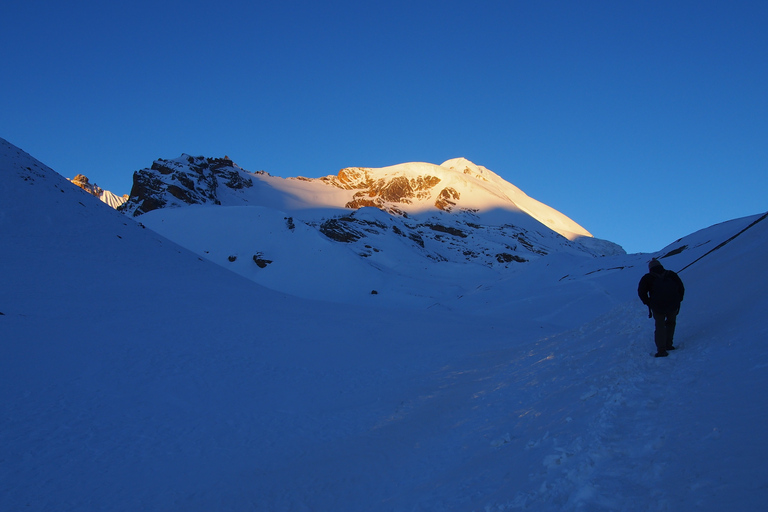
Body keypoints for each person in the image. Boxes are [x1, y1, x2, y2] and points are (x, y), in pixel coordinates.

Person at [638, 258, 685, 357]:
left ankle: (661, 350)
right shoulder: (671, 274)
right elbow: (681, 287)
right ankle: (669, 345)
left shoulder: (648, 277)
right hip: (673, 304)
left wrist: (648, 302)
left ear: (650, 268)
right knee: (671, 323)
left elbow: (641, 292)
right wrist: (678, 300)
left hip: (657, 306)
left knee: (660, 326)